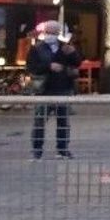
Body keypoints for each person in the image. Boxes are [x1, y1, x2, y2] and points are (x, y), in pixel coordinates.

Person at [26, 21, 82, 160]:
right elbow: (31, 68)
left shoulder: (65, 47)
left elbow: (77, 63)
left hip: (63, 89)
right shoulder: (36, 49)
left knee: (63, 122)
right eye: (48, 32)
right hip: (43, 91)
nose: (51, 35)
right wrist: (49, 66)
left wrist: (73, 53)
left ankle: (62, 149)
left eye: (54, 32)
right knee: (39, 122)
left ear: (59, 33)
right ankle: (37, 150)